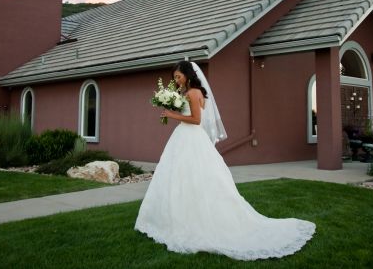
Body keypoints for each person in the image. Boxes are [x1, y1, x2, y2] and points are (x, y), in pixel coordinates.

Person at [135, 61, 316, 261]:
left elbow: (196, 120)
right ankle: (176, 217)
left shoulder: (194, 93)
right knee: (179, 177)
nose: (176, 80)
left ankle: (189, 221)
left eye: (178, 76)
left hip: (190, 136)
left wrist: (172, 114)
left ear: (188, 75)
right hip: (185, 138)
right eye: (174, 77)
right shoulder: (190, 93)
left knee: (191, 176)